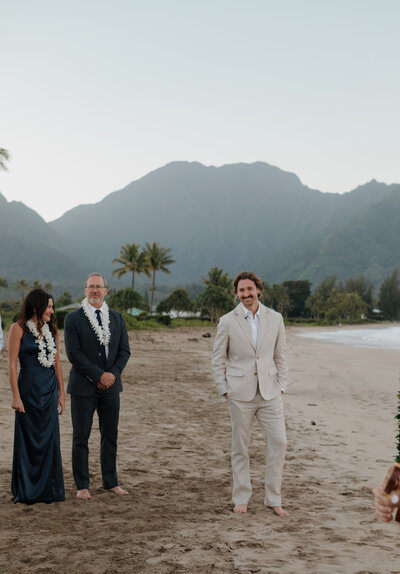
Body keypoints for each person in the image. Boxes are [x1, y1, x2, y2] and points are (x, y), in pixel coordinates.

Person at [212, 271, 288, 516]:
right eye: (241, 291)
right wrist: (224, 390)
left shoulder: (275, 318)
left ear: (259, 290)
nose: (246, 294)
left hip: (270, 393)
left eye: (250, 289)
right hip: (239, 394)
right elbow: (218, 359)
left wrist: (281, 385)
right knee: (240, 447)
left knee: (279, 443)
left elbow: (281, 356)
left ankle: (273, 499)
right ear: (236, 294)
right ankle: (241, 497)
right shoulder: (227, 321)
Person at [64, 272, 131, 500]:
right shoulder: (73, 319)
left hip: (112, 387)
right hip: (83, 387)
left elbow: (124, 351)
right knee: (80, 437)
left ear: (106, 290)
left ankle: (110, 481)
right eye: (91, 287)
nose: (94, 290)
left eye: (98, 287)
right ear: (85, 291)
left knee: (110, 436)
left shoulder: (118, 318)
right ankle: (82, 485)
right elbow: (74, 353)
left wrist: (111, 374)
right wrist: (98, 375)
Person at [8, 289, 65, 504]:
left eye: (52, 306)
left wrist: (61, 394)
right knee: (29, 440)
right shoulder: (18, 328)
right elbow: (12, 366)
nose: (52, 310)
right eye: (49, 306)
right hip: (28, 392)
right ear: (36, 307)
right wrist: (16, 397)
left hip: (49, 391)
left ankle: (50, 491)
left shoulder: (52, 330)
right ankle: (28, 490)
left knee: (49, 440)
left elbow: (58, 363)